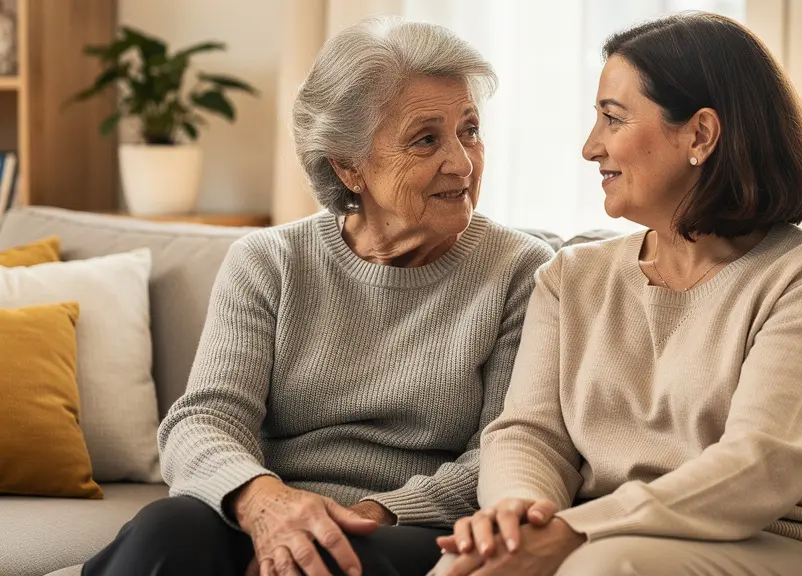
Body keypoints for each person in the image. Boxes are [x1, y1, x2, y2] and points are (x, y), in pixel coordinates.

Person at [82, 17, 554, 576]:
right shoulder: (270, 262)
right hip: (266, 512)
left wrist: (355, 518)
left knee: (335, 561)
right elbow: (204, 419)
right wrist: (264, 504)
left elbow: (503, 451)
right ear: (349, 167)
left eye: (469, 130)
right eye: (426, 139)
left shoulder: (521, 272)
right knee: (167, 530)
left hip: (406, 529)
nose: (462, 161)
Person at [434, 12, 802, 576]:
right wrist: (518, 520)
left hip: (776, 542)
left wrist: (573, 531)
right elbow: (530, 432)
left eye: (612, 119)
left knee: (600, 569)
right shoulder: (570, 277)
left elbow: (758, 467)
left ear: (700, 133)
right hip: (601, 535)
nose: (590, 147)